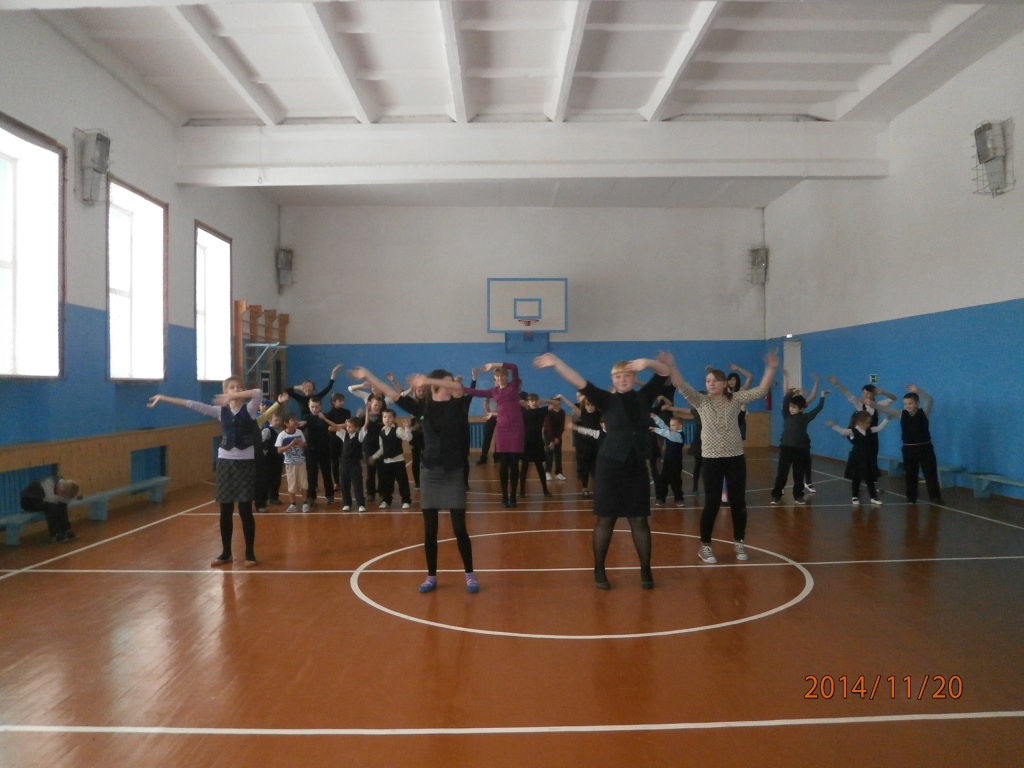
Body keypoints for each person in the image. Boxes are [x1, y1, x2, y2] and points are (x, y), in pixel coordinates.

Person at [534, 352, 671, 590]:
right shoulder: (606, 399)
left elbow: (664, 372)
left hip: (636, 466)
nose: (623, 379)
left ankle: (645, 570)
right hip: (610, 466)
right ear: (613, 380)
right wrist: (557, 362)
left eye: (627, 375)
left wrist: (647, 363)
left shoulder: (645, 396)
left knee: (639, 519)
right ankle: (599, 569)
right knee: (606, 519)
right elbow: (578, 381)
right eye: (618, 376)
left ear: (634, 376)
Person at [351, 366, 480, 594]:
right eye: (444, 382)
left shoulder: (457, 404)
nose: (449, 385)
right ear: (436, 387)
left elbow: (458, 387)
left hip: (453, 473)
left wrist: (427, 380)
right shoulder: (423, 408)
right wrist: (368, 376)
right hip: (430, 474)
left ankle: (469, 574)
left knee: (460, 528)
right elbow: (391, 394)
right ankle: (431, 576)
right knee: (430, 530)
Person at [664, 349, 778, 565]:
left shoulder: (735, 399)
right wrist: (672, 366)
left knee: (738, 501)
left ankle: (739, 541)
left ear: (725, 383)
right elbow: (681, 385)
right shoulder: (701, 401)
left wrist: (771, 368)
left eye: (715, 380)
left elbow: (762, 390)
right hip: (711, 458)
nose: (711, 383)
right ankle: (705, 546)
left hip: (735, 457)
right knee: (712, 502)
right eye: (708, 381)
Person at [148, 378, 263, 567]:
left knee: (245, 509)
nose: (236, 390)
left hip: (245, 463)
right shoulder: (220, 411)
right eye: (232, 388)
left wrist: (233, 395)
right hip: (225, 462)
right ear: (225, 390)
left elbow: (258, 393)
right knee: (225, 509)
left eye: (239, 387)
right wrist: (164, 397)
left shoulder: (250, 409)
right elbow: (192, 404)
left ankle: (249, 553)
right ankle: (226, 553)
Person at [463, 362, 525, 508]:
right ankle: (504, 496)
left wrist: (493, 364)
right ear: (495, 378)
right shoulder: (493, 391)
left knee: (514, 464)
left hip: (516, 428)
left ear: (506, 376)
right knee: (503, 464)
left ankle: (513, 495)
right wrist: (457, 386)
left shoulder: (513, 386)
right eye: (497, 376)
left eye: (502, 375)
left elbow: (514, 367)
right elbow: (476, 392)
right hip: (502, 429)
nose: (499, 378)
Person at [875, 385, 945, 504]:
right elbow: (886, 409)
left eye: (910, 403)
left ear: (917, 403)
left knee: (930, 474)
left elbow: (929, 400)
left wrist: (918, 390)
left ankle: (935, 497)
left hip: (925, 448)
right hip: (909, 449)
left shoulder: (924, 412)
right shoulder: (901, 414)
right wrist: (871, 404)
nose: (907, 406)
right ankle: (911, 497)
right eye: (905, 404)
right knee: (911, 474)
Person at [770, 390, 828, 505]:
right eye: (790, 406)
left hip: (800, 450)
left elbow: (818, 408)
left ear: (801, 409)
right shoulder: (786, 415)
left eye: (794, 407)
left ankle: (798, 496)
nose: (791, 409)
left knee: (798, 474)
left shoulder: (805, 417)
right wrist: (792, 392)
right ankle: (776, 495)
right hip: (786, 448)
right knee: (782, 473)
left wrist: (822, 396)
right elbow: (786, 400)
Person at [827, 411, 890, 505]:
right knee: (856, 478)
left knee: (870, 478)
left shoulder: (869, 430)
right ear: (859, 422)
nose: (869, 424)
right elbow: (842, 431)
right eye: (867, 423)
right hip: (857, 458)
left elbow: (879, 428)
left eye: (869, 423)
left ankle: (873, 497)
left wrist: (886, 419)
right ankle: (855, 496)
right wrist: (834, 425)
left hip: (868, 458)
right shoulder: (852, 431)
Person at [368, 408, 413, 509]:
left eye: (389, 417)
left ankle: (406, 500)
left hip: (398, 461)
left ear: (394, 418)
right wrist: (374, 457)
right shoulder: (381, 432)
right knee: (387, 483)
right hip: (386, 462)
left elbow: (408, 438)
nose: (387, 419)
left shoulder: (398, 429)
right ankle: (386, 500)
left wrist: (406, 428)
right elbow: (382, 449)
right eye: (385, 417)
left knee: (402, 482)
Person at [20, 475, 80, 543]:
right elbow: (51, 499)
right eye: (63, 494)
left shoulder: (61, 483)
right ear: (61, 490)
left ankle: (66, 530)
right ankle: (55, 534)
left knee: (62, 504)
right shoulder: (48, 483)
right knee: (52, 505)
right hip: (29, 501)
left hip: (41, 499)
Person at [519, 393, 553, 498]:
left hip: (537, 442)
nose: (534, 402)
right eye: (531, 401)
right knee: (524, 468)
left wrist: (545, 400)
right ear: (528, 402)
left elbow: (556, 404)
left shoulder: (541, 411)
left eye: (535, 400)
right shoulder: (523, 412)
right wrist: (519, 402)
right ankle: (522, 491)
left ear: (538, 401)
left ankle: (545, 490)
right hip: (526, 442)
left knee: (540, 468)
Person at [304, 397, 335, 510]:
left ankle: (330, 495)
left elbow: (334, 427)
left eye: (316, 407)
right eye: (312, 407)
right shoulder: (306, 417)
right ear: (309, 406)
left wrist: (324, 419)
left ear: (320, 406)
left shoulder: (324, 416)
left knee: (326, 472)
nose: (314, 409)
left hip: (324, 449)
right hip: (311, 450)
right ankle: (311, 497)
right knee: (311, 474)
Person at [650, 413, 685, 507]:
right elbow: (663, 426)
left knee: (676, 481)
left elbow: (667, 433)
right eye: (670, 425)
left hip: (676, 463)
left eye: (673, 425)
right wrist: (655, 417)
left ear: (680, 426)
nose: (670, 427)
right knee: (663, 480)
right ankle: (661, 498)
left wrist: (655, 429)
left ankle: (679, 499)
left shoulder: (679, 435)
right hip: (667, 462)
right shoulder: (671, 431)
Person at [334, 417, 367, 512]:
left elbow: (366, 425)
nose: (347, 428)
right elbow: (334, 426)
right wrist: (345, 424)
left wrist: (367, 413)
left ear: (357, 428)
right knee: (344, 485)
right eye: (347, 426)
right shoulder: (344, 435)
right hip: (344, 465)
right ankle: (347, 503)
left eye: (350, 427)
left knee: (357, 485)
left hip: (355, 465)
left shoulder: (359, 436)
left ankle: (361, 504)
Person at [275, 415, 307, 512]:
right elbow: (279, 450)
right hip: (290, 463)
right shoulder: (282, 435)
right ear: (286, 423)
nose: (296, 421)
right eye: (293, 420)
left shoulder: (299, 432)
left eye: (296, 419)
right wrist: (291, 445)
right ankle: (293, 504)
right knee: (292, 484)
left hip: (301, 462)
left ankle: (305, 503)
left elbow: (305, 444)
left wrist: (301, 444)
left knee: (304, 483)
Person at [544, 395, 567, 481]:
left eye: (558, 402)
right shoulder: (548, 412)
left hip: (557, 435)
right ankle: (547, 472)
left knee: (558, 454)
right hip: (548, 435)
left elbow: (561, 426)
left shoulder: (562, 412)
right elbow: (548, 427)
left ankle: (559, 473)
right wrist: (551, 441)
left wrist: (558, 437)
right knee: (549, 453)